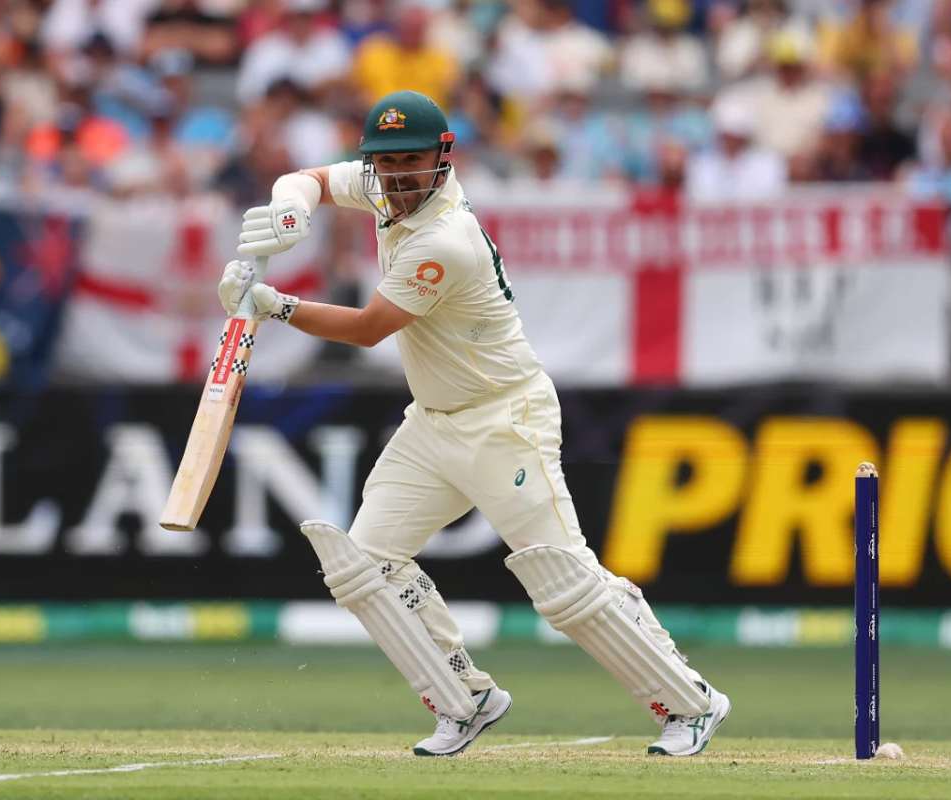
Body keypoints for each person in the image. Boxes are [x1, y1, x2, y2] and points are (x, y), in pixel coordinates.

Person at [215, 89, 732, 757]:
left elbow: (371, 328)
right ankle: (465, 700)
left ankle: (691, 703)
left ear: (442, 156)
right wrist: (290, 212)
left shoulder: (445, 239)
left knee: (562, 579)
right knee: (364, 565)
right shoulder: (380, 185)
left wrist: (272, 305)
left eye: (411, 161)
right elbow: (309, 178)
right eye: (384, 162)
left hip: (502, 418)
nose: (397, 177)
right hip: (433, 422)